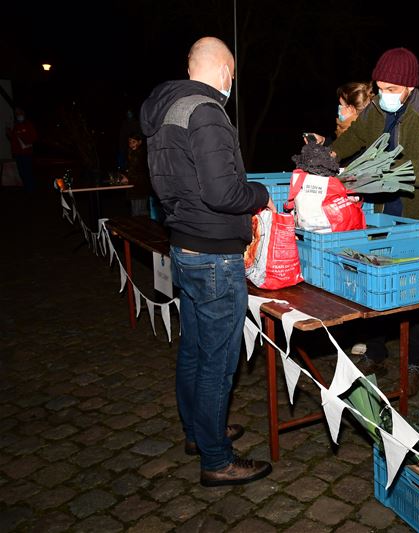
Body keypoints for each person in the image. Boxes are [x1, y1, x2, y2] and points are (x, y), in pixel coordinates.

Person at [140, 36, 275, 487]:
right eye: (232, 75)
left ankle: (198, 432)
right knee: (218, 361)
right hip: (215, 256)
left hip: (184, 246)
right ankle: (217, 460)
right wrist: (261, 194)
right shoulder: (207, 112)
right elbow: (225, 193)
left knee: (195, 351)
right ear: (225, 71)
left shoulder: (166, 111)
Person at [330, 47, 419, 396]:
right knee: (376, 286)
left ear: (410, 86)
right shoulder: (377, 109)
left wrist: (384, 172)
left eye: (391, 89)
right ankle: (375, 351)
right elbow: (356, 136)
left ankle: (416, 362)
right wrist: (333, 152)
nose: (384, 94)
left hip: (418, 219)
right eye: (380, 86)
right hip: (381, 216)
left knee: (416, 296)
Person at [118, 133, 152, 216]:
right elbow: (132, 170)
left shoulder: (141, 154)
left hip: (140, 187)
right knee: (136, 212)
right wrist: (125, 176)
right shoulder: (132, 153)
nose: (131, 144)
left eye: (134, 142)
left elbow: (142, 172)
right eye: (130, 142)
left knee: (139, 213)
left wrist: (128, 178)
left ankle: (145, 228)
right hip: (134, 187)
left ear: (139, 142)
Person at [6, 107, 38, 192]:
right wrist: (9, 133)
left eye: (19, 113)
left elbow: (34, 137)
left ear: (23, 114)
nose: (18, 115)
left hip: (27, 153)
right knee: (22, 172)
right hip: (18, 153)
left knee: (28, 171)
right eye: (16, 114)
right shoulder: (16, 126)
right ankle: (27, 188)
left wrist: (23, 136)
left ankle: (31, 189)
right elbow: (13, 139)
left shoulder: (28, 124)